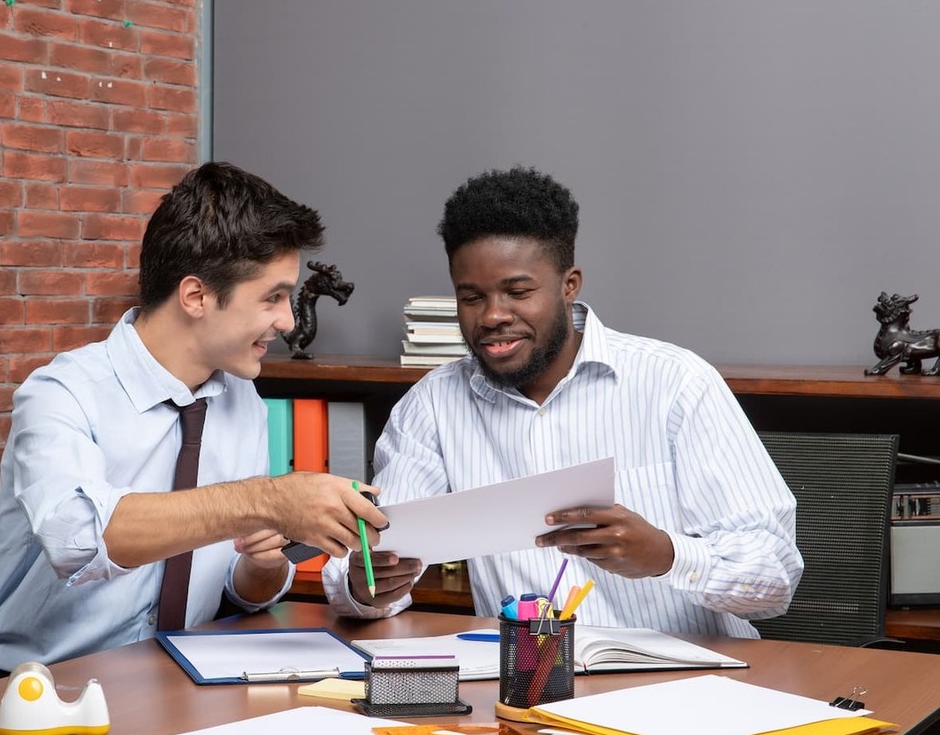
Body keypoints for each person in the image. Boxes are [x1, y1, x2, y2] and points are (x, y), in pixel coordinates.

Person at [323, 165, 802, 640]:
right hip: (528, 677)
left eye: (517, 292)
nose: (492, 316)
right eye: (471, 297)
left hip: (687, 675)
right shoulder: (432, 405)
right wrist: (366, 586)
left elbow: (776, 577)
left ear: (569, 284)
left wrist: (666, 555)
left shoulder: (677, 383)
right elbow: (364, 569)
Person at [0, 162, 386, 678]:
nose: (287, 321)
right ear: (196, 297)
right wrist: (268, 500)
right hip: (45, 689)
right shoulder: (61, 393)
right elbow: (77, 539)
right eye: (273, 297)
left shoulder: (243, 400)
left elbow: (238, 587)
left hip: (181, 680)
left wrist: (260, 564)